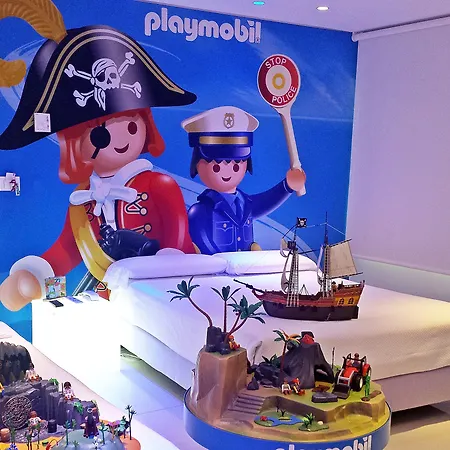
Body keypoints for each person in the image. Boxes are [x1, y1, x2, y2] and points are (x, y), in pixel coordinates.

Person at [0, 5, 197, 311]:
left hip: (170, 295)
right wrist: (34, 279)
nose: (122, 139)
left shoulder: (160, 185)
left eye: (132, 126)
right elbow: (66, 252)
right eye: (101, 134)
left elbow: (178, 242)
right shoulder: (83, 201)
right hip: (113, 296)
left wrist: (163, 270)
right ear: (73, 144)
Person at [182, 106, 306, 254]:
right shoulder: (200, 211)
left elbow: (267, 200)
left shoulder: (245, 204)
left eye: (236, 166)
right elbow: (202, 243)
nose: (227, 172)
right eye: (216, 167)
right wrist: (219, 263)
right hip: (217, 268)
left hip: (247, 267)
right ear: (198, 164)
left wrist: (287, 186)